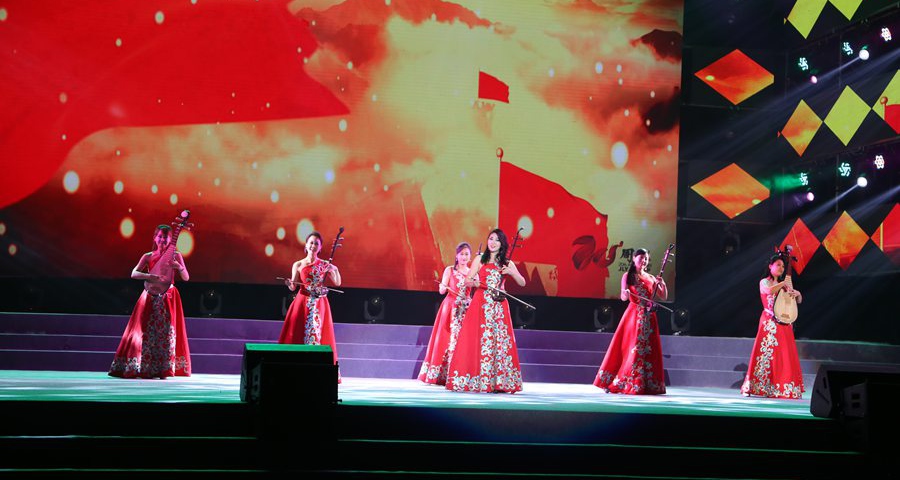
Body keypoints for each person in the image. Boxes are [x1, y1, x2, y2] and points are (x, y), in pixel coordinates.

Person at [446, 229, 525, 393]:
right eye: (490, 239)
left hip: (498, 307)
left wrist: (511, 272)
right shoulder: (480, 259)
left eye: (497, 240)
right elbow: (468, 280)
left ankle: (498, 382)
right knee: (477, 341)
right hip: (480, 304)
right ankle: (477, 380)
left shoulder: (507, 263)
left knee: (498, 343)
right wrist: (476, 283)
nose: (492, 242)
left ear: (502, 244)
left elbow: (522, 282)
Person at [109, 224, 191, 379]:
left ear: (170, 240)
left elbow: (186, 278)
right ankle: (145, 367)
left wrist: (179, 267)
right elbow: (134, 273)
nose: (162, 240)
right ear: (155, 238)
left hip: (168, 297)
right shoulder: (148, 256)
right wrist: (149, 277)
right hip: (149, 296)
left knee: (166, 334)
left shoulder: (176, 255)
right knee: (145, 333)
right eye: (159, 236)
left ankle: (163, 369)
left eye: (165, 237)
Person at [593, 248, 667, 395]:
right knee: (633, 348)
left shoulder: (652, 278)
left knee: (648, 349)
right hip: (634, 316)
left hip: (649, 317)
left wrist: (662, 284)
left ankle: (646, 384)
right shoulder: (628, 276)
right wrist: (625, 292)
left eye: (646, 258)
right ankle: (628, 383)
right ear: (634, 259)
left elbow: (663, 296)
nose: (643, 261)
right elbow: (623, 298)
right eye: (641, 258)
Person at [279, 231, 342, 380]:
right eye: (311, 242)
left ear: (320, 248)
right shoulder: (298, 264)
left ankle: (317, 371)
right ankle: (294, 369)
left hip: (319, 304)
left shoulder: (324, 264)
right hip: (301, 302)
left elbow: (338, 283)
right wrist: (289, 283)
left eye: (316, 244)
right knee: (297, 333)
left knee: (317, 335)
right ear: (306, 245)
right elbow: (293, 287)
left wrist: (335, 269)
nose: (313, 246)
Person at [740, 253, 804, 399]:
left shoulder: (783, 285)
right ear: (770, 266)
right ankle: (755, 386)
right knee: (765, 354)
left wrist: (798, 293)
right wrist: (783, 284)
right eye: (778, 265)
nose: (781, 268)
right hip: (769, 322)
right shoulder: (764, 282)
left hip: (783, 323)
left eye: (783, 266)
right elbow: (769, 291)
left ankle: (781, 387)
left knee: (783, 356)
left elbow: (797, 301)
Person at [418, 242, 472, 385]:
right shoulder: (449, 270)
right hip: (449, 308)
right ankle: (440, 374)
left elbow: (474, 292)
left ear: (470, 257)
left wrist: (469, 300)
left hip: (464, 309)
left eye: (466, 254)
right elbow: (442, 291)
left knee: (461, 341)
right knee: (445, 339)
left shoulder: (472, 273)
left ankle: (457, 373)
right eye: (461, 254)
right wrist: (443, 286)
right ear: (456, 256)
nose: (464, 257)